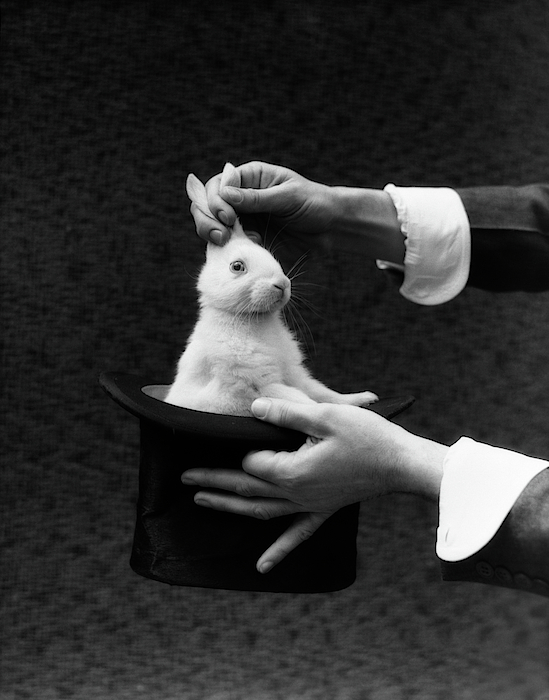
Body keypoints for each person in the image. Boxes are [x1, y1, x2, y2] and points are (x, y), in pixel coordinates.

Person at [180, 161, 549, 597]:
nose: (280, 282)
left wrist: (389, 451)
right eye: (240, 267)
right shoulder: (219, 337)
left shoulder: (268, 331)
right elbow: (255, 392)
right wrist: (339, 213)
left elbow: (293, 380)